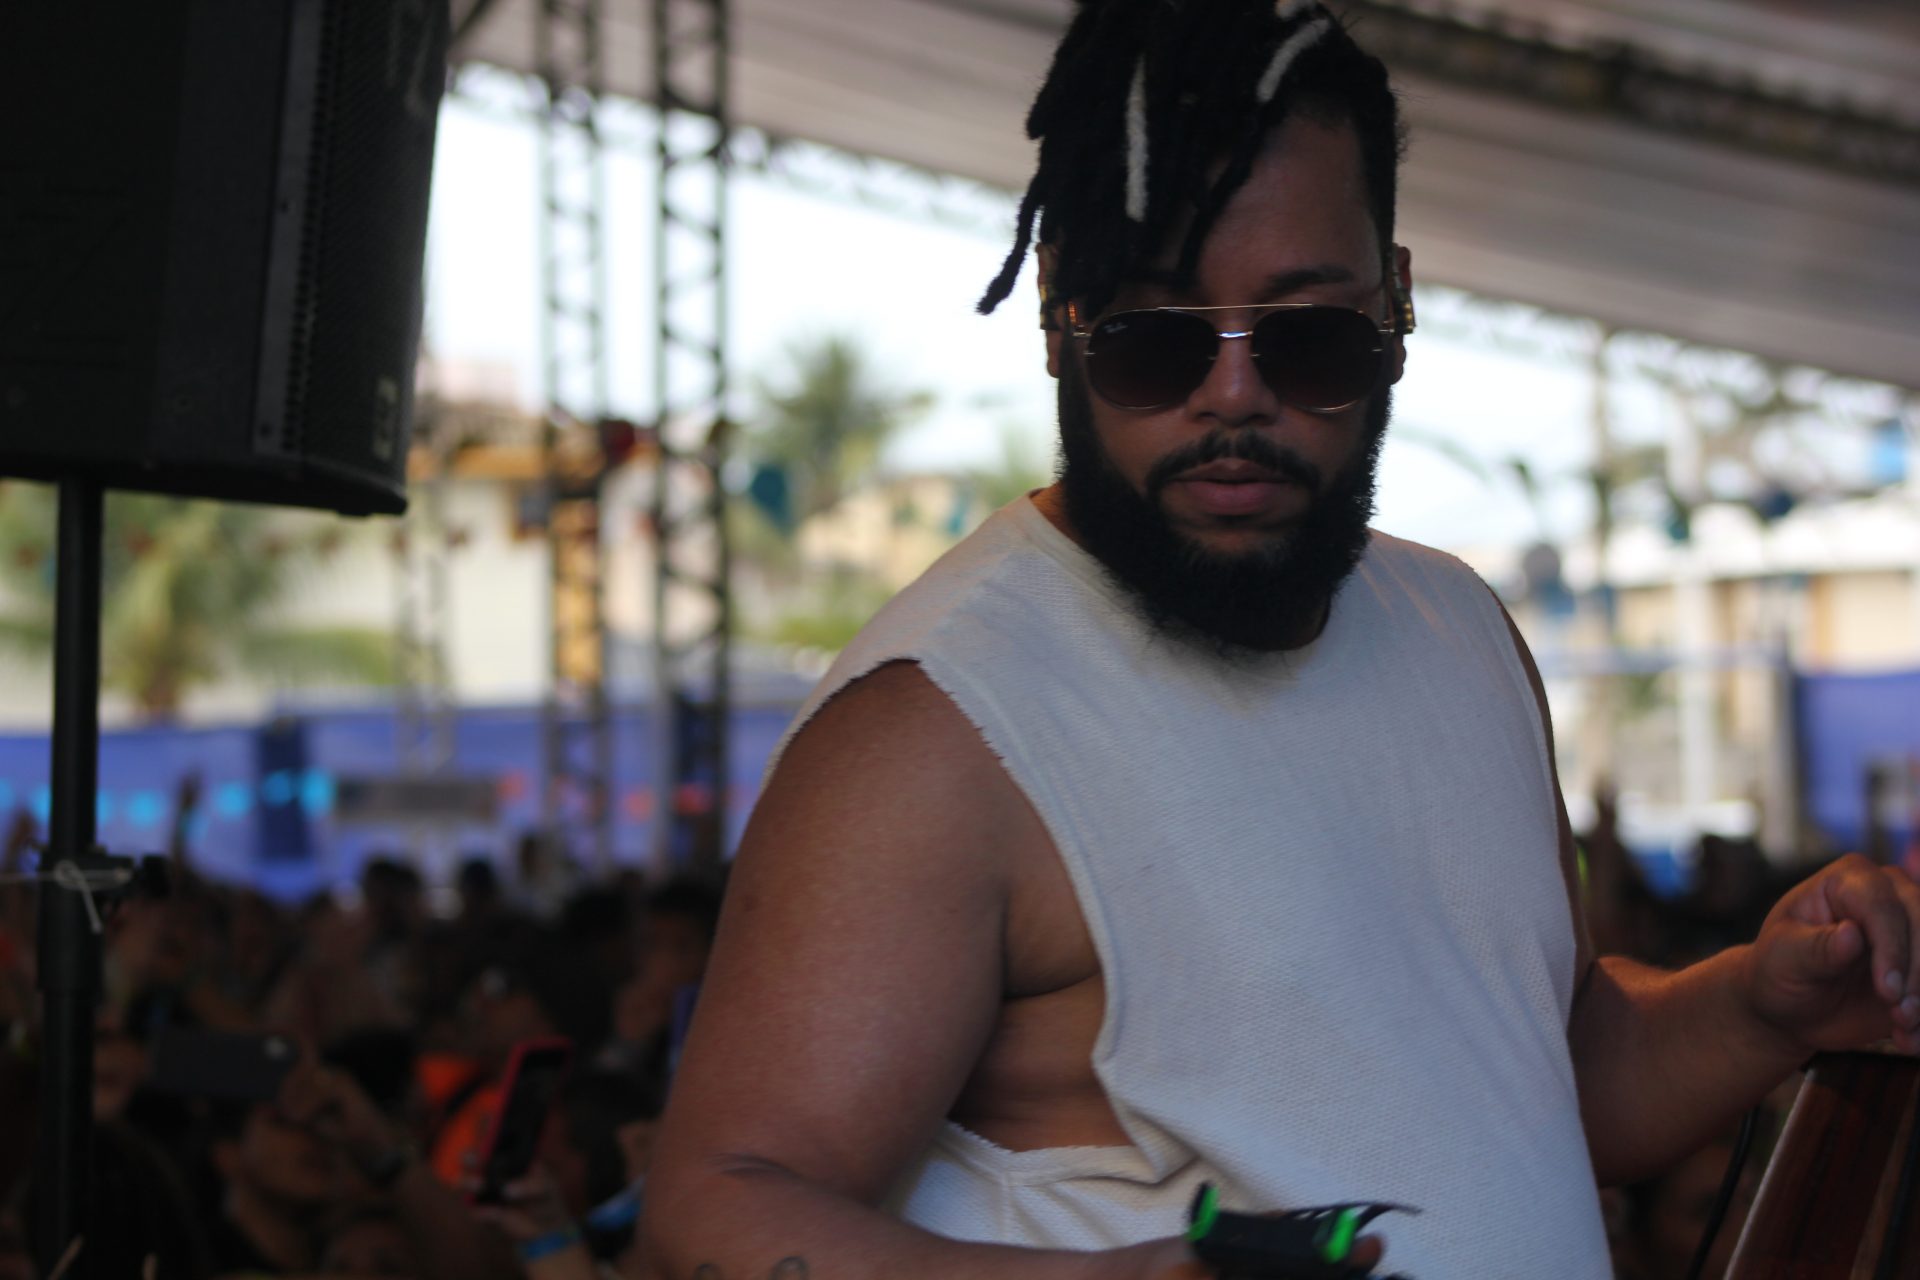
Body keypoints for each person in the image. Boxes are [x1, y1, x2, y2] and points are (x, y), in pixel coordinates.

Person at [640, 3, 1920, 1277]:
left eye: (1309, 337)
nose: (1234, 396)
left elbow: (1542, 1069)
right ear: (1058, 316)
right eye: (1153, 340)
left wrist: (1760, 1001)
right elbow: (718, 1206)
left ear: (1397, 305)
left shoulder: (1461, 628)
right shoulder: (936, 726)